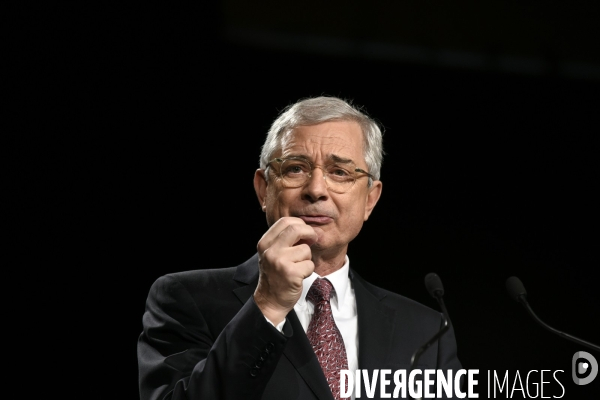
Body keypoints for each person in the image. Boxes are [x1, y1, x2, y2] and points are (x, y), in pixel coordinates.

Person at [137, 96, 462, 400]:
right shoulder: (186, 298)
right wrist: (267, 305)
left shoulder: (426, 331)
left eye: (340, 172)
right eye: (295, 168)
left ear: (370, 199)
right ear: (264, 189)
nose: (316, 189)